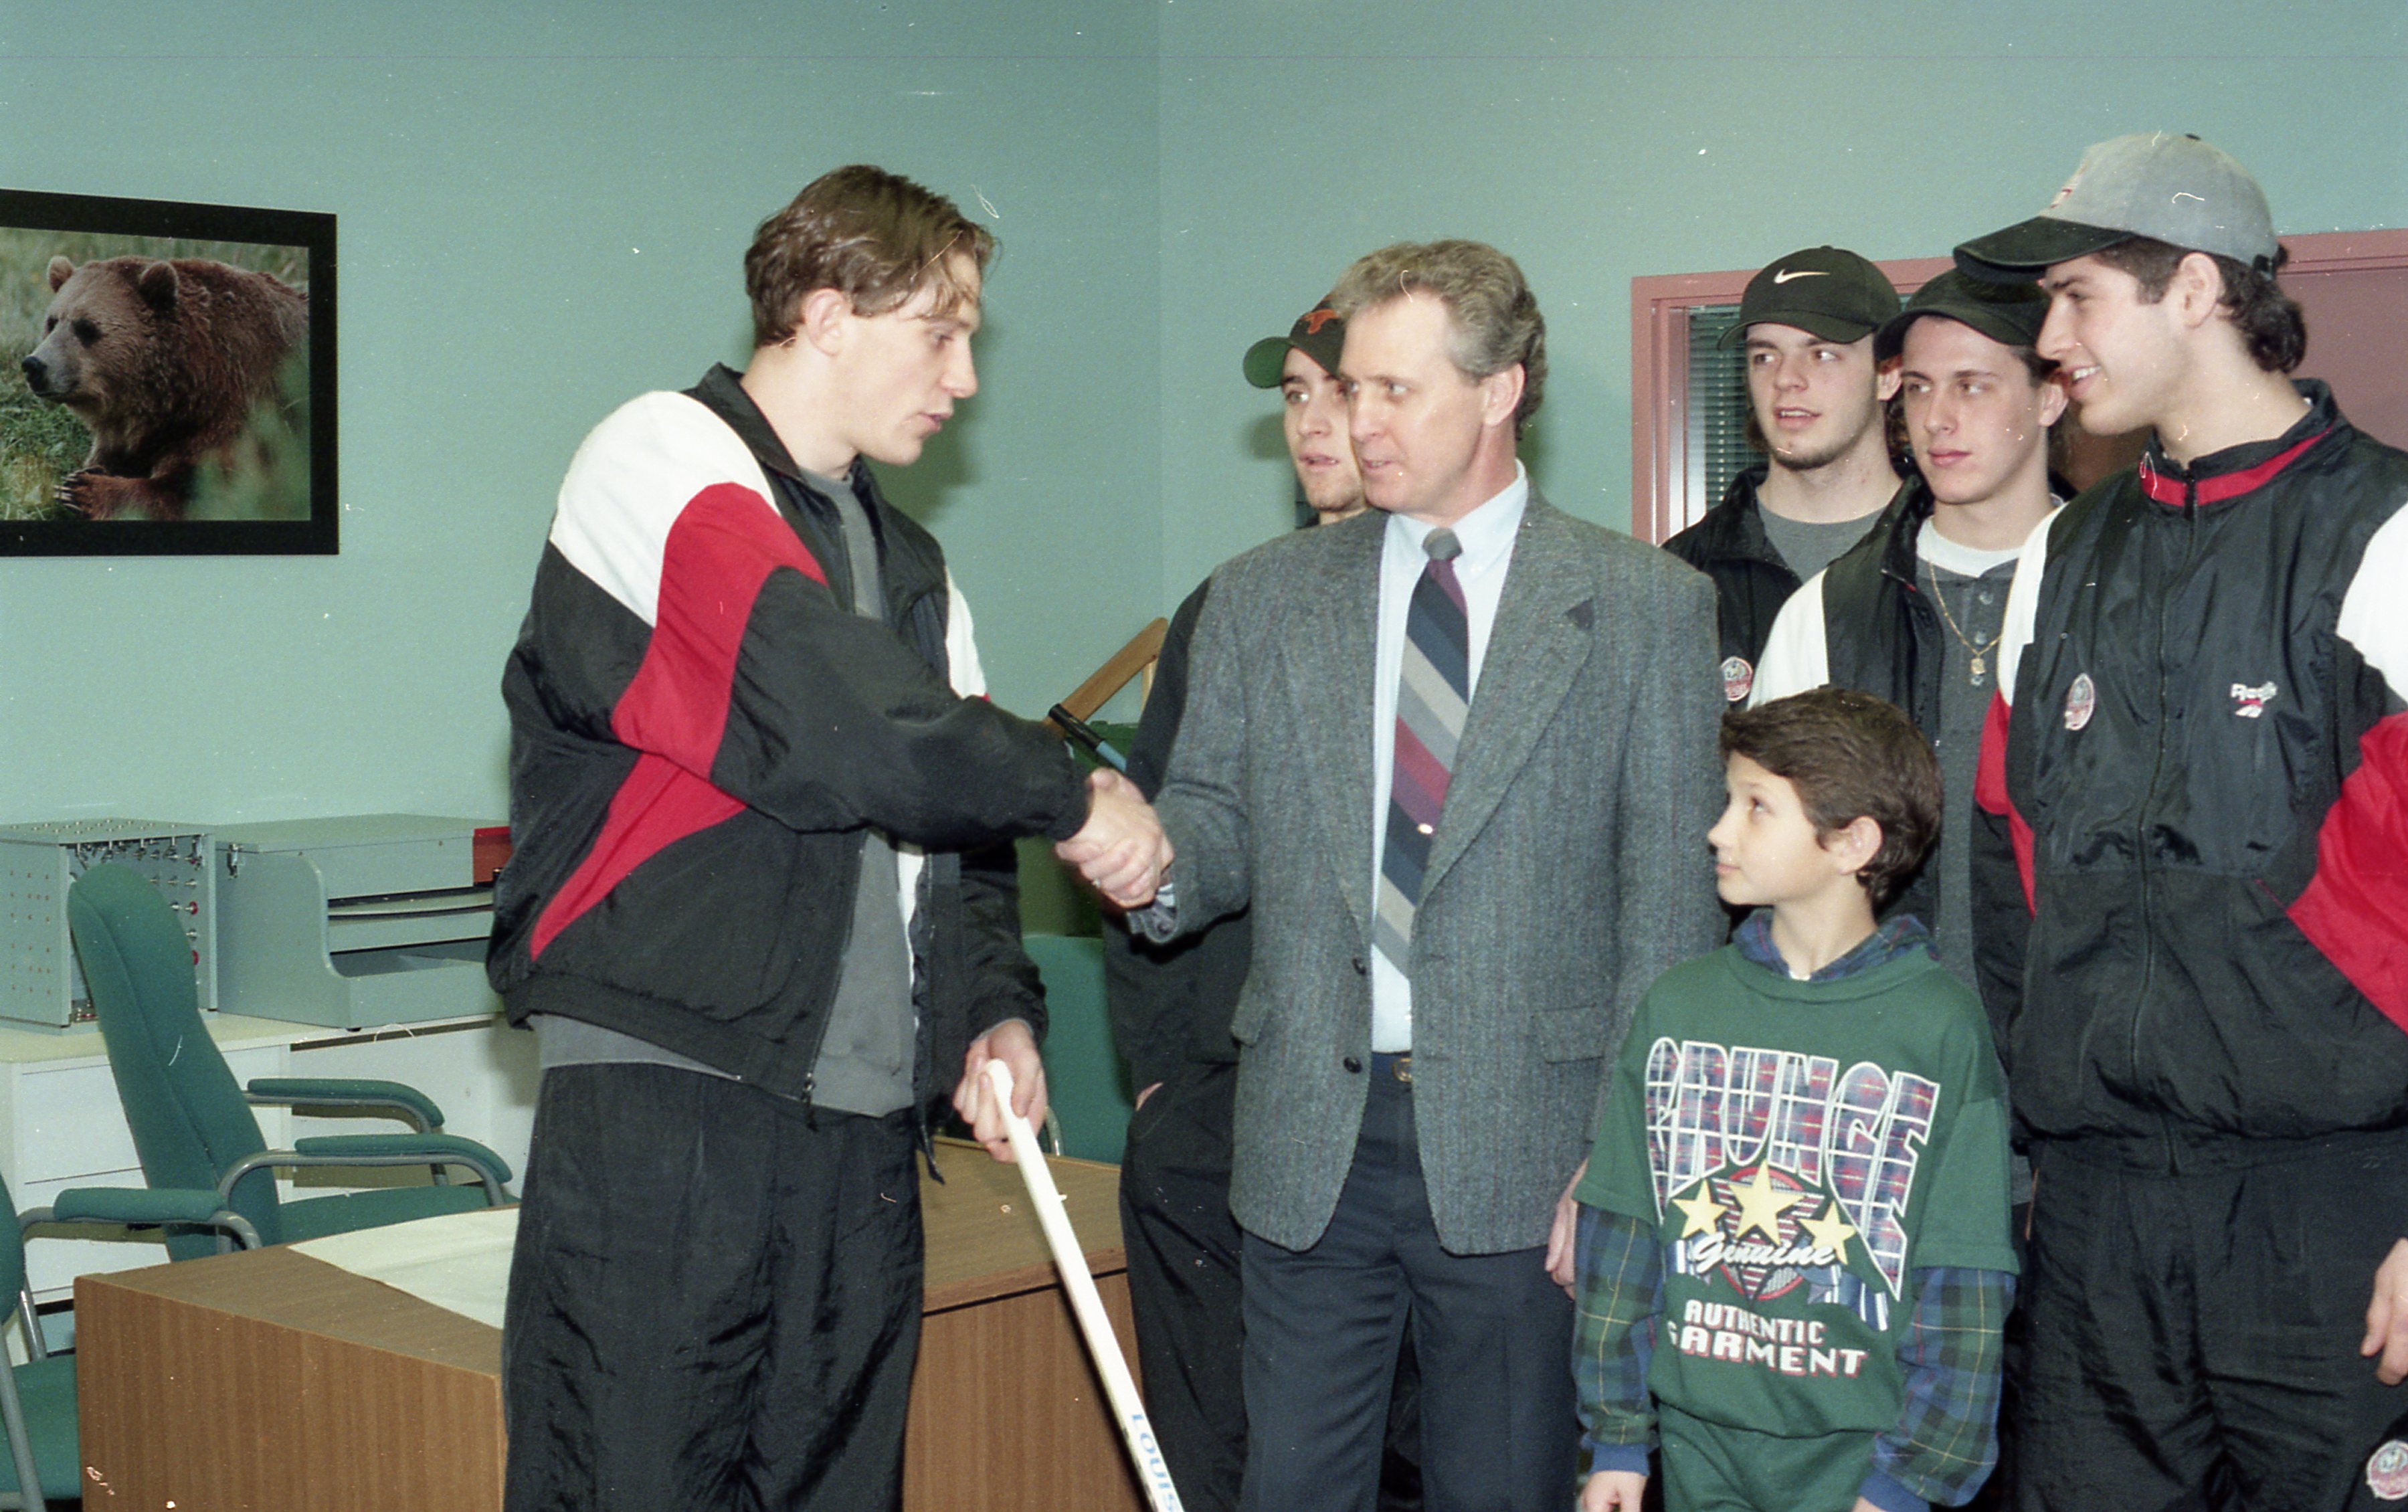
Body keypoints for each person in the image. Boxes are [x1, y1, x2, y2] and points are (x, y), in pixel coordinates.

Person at [488, 163, 1165, 1512]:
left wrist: (990, 1010)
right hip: (674, 1092)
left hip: (860, 1133)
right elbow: (836, 716)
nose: (963, 377)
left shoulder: (913, 568)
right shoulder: (658, 457)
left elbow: (953, 831)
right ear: (827, 312)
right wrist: (1075, 793)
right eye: (941, 332)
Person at [1119, 238, 1726, 1512]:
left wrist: (1621, 1159)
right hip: (1307, 1142)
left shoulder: (1642, 608)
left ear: (1498, 390)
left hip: (1529, 1155)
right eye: (1350, 389)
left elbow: (1666, 923)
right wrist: (1147, 858)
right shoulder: (1260, 601)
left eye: (1394, 390)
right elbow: (1211, 825)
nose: (1357, 422)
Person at [1956, 131, 2408, 1510]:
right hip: (2098, 1219)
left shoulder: (2384, 533)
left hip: (2334, 1208)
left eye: (2076, 298)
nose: (2048, 340)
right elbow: (2007, 874)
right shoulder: (2061, 553)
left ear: (2198, 290)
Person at [1574, 687, 2019, 1512]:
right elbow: (1621, 1233)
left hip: (1863, 1462)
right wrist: (1616, 1437)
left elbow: (1963, 1280)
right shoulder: (1679, 1008)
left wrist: (1908, 1479)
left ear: (1852, 842)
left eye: (1755, 807)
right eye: (1726, 801)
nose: (1718, 830)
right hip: (1699, 1446)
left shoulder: (1936, 1027)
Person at [1105, 294, 1386, 1512]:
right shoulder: (1234, 604)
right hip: (1226, 1094)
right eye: (1296, 398)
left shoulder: (1473, 608)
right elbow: (1151, 837)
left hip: (1395, 1111)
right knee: (1218, 1452)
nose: (1315, 424)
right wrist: (1160, 1079)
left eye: (1345, 393)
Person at [1751, 271, 2064, 987]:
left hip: (2065, 1033)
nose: (1936, 419)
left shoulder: (2110, 595)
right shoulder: (1827, 612)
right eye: (1919, 388)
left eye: (1971, 386)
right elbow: (1779, 865)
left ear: (2049, 396)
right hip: (1876, 1029)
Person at [1665, 247, 1906, 706]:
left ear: (1888, 375)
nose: (1786, 379)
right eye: (1764, 356)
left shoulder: (1940, 553)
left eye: (1822, 354)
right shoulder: (1685, 574)